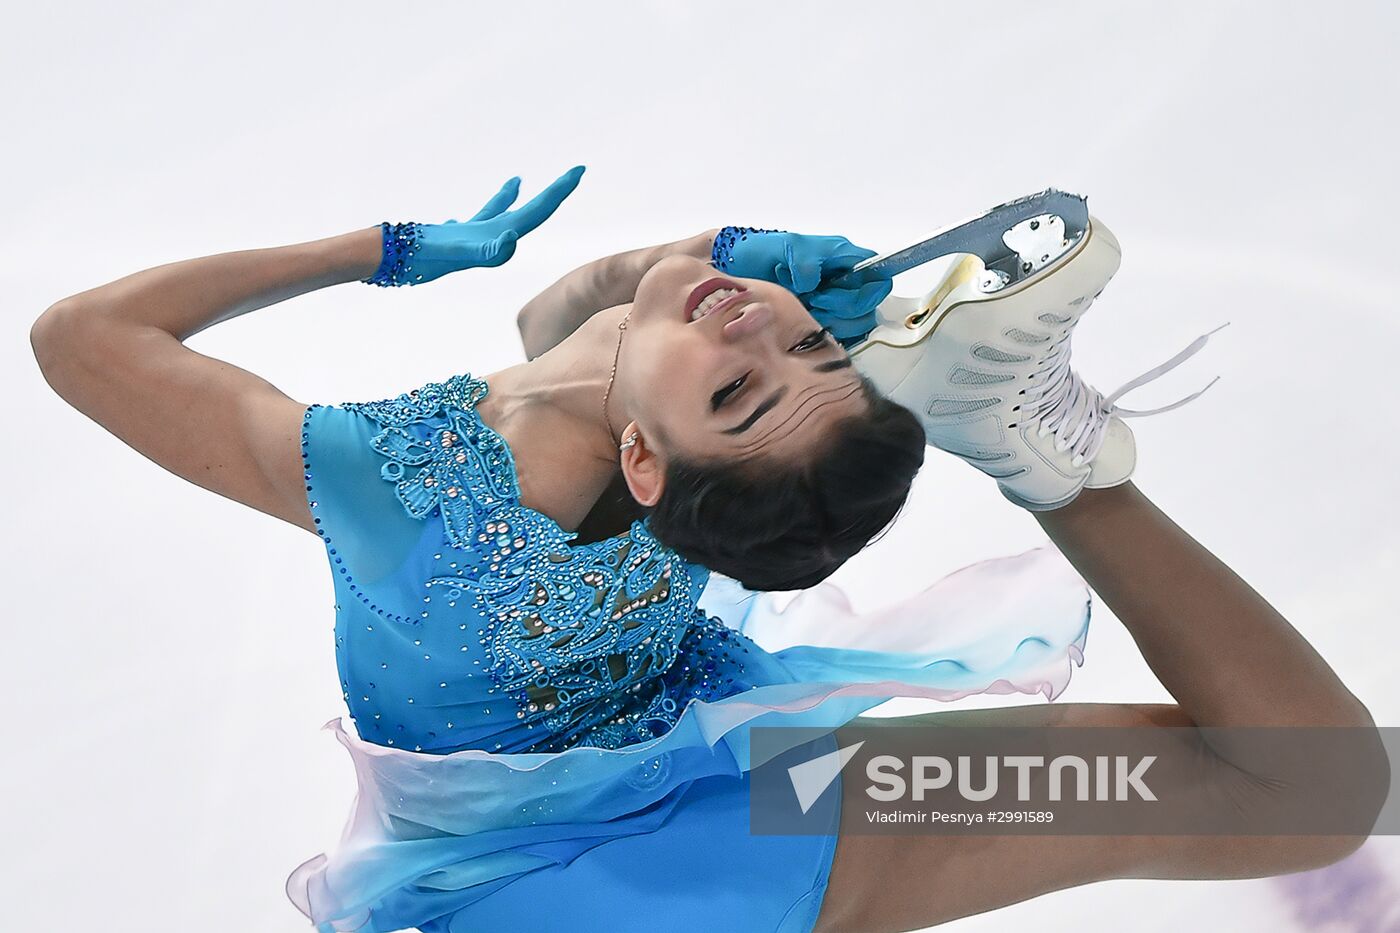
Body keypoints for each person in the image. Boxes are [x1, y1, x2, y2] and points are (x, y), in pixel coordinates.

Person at [30, 167, 1386, 933]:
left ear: (647, 466)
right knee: (1302, 786)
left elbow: (78, 339)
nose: (756, 326)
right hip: (708, 815)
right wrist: (706, 272)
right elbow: (580, 321)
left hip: (595, 871)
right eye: (799, 341)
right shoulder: (635, 406)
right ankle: (1034, 467)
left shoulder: (392, 486)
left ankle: (1041, 464)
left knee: (1308, 784)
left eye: (757, 377)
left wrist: (378, 249)